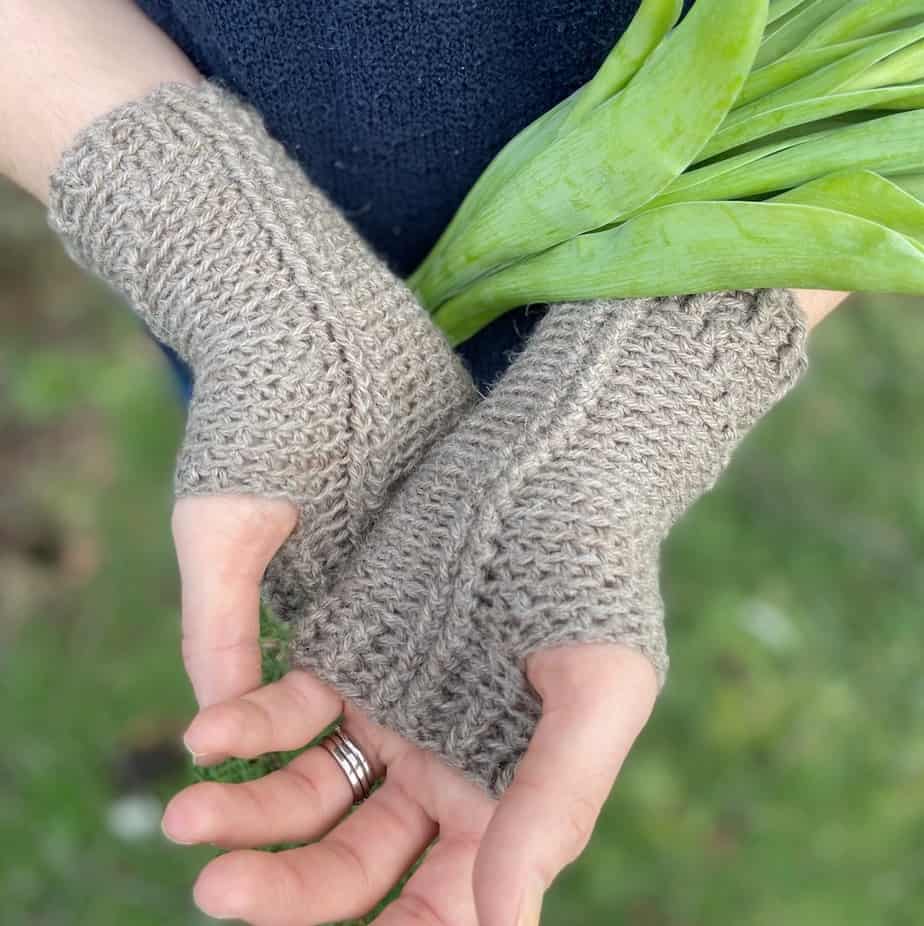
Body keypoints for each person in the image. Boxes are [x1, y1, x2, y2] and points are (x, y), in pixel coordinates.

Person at [1, 2, 850, 924]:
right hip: (247, 261)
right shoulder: (251, 288)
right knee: (267, 454)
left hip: (634, 265)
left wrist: (630, 405)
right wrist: (235, 271)